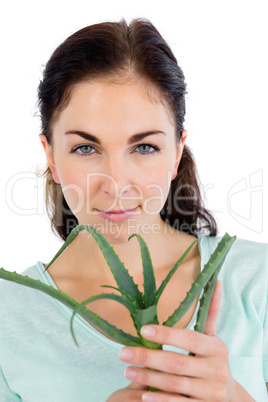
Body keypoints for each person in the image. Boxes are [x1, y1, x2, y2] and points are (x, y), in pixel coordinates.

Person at [0, 17, 267, 401]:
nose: (116, 183)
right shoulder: (9, 316)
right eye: (85, 148)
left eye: (144, 147)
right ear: (51, 158)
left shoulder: (258, 282)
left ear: (177, 153)